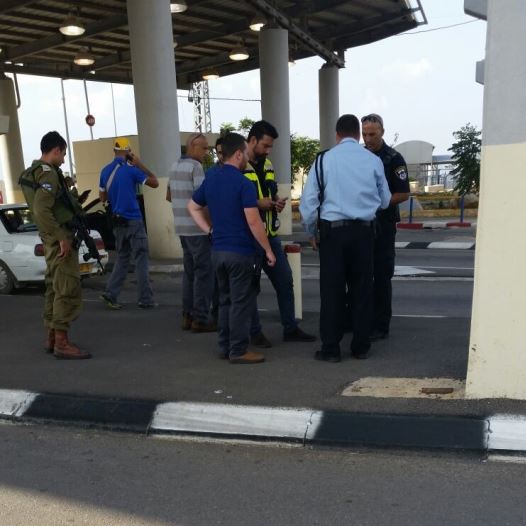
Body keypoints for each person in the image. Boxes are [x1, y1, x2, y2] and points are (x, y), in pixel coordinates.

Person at [300, 114, 391, 362]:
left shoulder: (323, 160)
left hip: (333, 234)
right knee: (362, 290)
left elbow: (309, 203)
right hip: (364, 234)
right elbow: (384, 200)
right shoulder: (373, 161)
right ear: (358, 135)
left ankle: (331, 349)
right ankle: (360, 347)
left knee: (332, 292)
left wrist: (311, 232)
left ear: (337, 134)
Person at [187, 133, 276, 364]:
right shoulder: (243, 184)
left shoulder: (212, 179)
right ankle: (238, 350)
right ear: (238, 154)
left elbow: (193, 207)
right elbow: (254, 221)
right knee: (240, 302)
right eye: (245, 153)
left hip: (218, 251)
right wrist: (268, 249)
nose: (247, 156)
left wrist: (209, 230)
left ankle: (224, 346)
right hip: (240, 252)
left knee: (225, 301)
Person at [18, 131, 90, 359]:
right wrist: (61, 236)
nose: (63, 159)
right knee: (67, 287)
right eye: (63, 154)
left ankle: (51, 337)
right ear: (56, 150)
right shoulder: (48, 174)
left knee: (53, 286)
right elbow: (41, 209)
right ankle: (62, 342)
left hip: (49, 238)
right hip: (59, 239)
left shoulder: (35, 171)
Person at [244, 120, 315, 348]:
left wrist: (275, 203)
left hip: (270, 235)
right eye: (265, 146)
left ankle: (290, 328)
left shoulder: (267, 165)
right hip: (247, 238)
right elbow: (231, 199)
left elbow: (269, 192)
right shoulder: (237, 165)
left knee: (285, 281)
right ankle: (254, 333)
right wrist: (258, 204)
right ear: (252, 140)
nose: (268, 151)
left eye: (270, 147)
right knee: (249, 288)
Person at [361, 114, 410, 341]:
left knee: (381, 276)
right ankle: (360, 320)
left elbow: (402, 193)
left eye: (372, 134)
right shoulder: (359, 155)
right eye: (364, 134)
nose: (368, 138)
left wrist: (378, 202)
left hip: (384, 224)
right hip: (362, 224)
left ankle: (381, 324)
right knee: (361, 275)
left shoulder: (394, 158)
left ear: (382, 132)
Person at [99, 137, 158, 310]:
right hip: (134, 221)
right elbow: (155, 182)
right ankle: (145, 299)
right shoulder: (131, 170)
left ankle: (111, 294)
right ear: (129, 151)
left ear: (114, 151)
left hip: (117, 222)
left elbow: (102, 197)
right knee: (141, 259)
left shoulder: (105, 171)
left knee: (123, 259)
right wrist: (139, 164)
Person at [168, 132, 215, 332]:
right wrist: (210, 226)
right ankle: (201, 318)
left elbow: (169, 195)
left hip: (182, 228)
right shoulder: (196, 168)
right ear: (193, 147)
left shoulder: (174, 166)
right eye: (204, 148)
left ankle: (187, 316)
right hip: (198, 229)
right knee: (204, 274)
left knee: (189, 273)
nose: (206, 152)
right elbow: (202, 200)